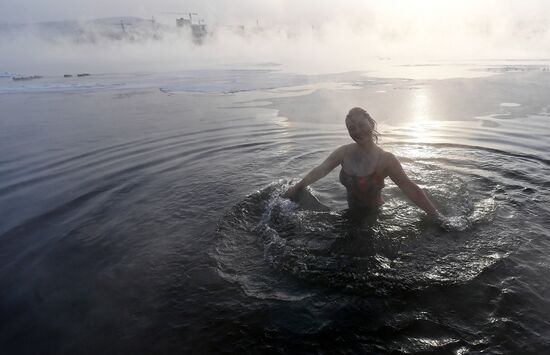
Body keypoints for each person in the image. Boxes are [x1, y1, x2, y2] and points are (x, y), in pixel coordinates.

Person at [283, 107, 442, 221]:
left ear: (371, 125)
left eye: (361, 125)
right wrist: (296, 188)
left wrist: (436, 217)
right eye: (352, 128)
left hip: (376, 216)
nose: (357, 131)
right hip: (351, 212)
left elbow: (409, 187)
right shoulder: (343, 153)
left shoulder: (385, 159)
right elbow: (319, 171)